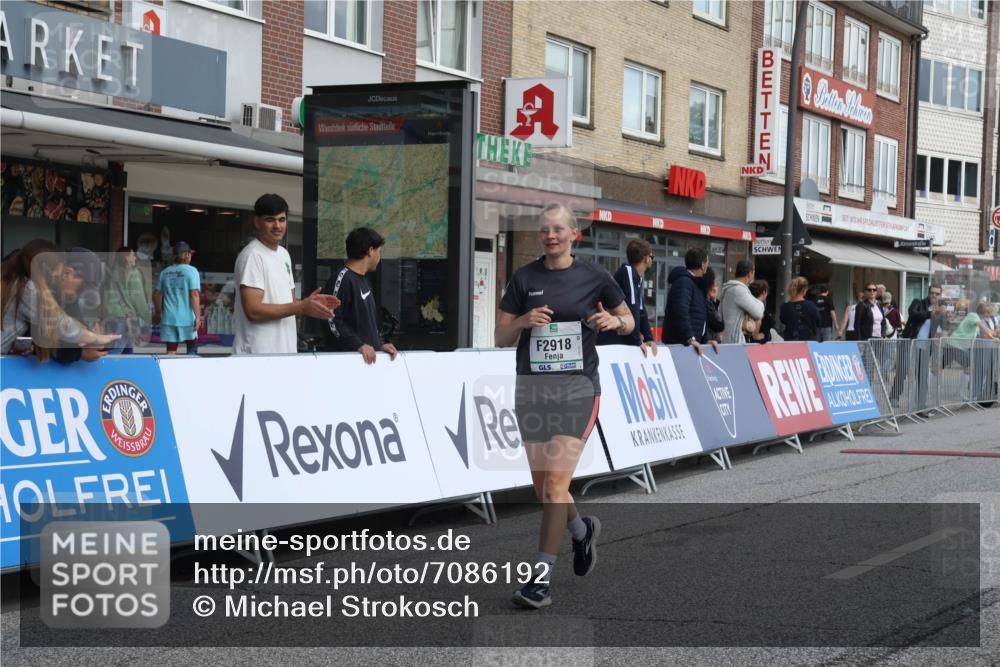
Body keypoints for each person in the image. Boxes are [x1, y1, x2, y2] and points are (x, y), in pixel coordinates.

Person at [494, 203, 633, 610]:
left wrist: (615, 324)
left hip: (577, 390)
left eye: (558, 229)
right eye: (544, 230)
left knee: (556, 485)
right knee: (544, 488)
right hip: (533, 391)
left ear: (574, 234)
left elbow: (628, 321)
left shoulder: (595, 277)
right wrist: (523, 321)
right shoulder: (524, 278)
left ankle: (540, 580)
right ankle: (581, 530)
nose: (550, 236)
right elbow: (501, 336)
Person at [232, 194, 339, 355]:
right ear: (256, 222)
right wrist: (301, 307)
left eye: (282, 220)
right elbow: (253, 310)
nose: (277, 225)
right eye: (270, 220)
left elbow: (288, 302)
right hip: (257, 356)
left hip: (285, 353)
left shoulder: (283, 254)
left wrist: (310, 304)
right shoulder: (253, 255)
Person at [324, 227, 398, 364]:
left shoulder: (364, 280)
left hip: (366, 363)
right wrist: (357, 345)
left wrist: (379, 345)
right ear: (370, 251)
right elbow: (330, 319)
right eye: (379, 251)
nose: (379, 257)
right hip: (347, 364)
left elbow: (366, 324)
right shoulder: (342, 279)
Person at [596, 238, 657, 356]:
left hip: (618, 341)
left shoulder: (636, 278)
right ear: (647, 258)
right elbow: (633, 308)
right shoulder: (628, 272)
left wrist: (649, 338)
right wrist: (637, 341)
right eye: (652, 257)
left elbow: (641, 311)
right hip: (610, 343)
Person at [662, 247, 719, 355]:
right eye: (707, 263)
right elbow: (681, 311)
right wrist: (689, 338)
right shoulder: (684, 282)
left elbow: (700, 316)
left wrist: (705, 340)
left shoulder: (697, 284)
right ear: (703, 265)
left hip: (692, 345)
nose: (707, 266)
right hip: (681, 346)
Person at [154, 242, 201, 355]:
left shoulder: (165, 272)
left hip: (169, 318)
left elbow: (156, 294)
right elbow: (194, 294)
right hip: (187, 320)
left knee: (170, 353)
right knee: (191, 352)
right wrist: (198, 317)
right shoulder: (192, 271)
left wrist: (158, 312)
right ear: (187, 255)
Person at [102, 246, 151, 354]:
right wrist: (148, 317)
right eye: (132, 255)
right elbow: (138, 300)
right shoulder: (133, 273)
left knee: (127, 351)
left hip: (109, 315)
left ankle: (125, 371)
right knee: (114, 354)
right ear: (126, 257)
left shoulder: (110, 273)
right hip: (124, 317)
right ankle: (108, 370)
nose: (135, 258)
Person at [719, 259, 764, 345]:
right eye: (754, 271)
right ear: (750, 273)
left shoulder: (728, 289)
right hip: (736, 342)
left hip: (727, 339)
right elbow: (758, 313)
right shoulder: (739, 290)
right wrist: (760, 302)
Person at [779, 276, 820, 342]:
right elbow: (818, 321)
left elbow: (783, 320)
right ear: (804, 290)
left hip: (790, 341)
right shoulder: (811, 305)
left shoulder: (784, 307)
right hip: (807, 342)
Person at [704, 268, 724, 344]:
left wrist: (714, 299)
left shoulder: (713, 303)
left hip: (714, 339)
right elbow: (718, 324)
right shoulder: (705, 301)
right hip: (709, 341)